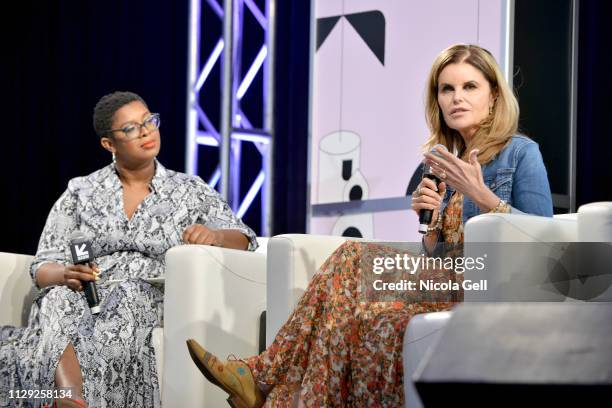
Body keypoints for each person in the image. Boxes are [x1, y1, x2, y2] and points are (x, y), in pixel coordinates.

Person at [186, 44, 553, 407]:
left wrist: (483, 196)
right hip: (445, 280)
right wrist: (432, 222)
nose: (457, 97)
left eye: (469, 86)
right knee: (354, 318)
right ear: (437, 100)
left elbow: (545, 240)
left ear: (493, 96)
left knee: (349, 257)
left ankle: (259, 375)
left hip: (487, 284)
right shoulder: (442, 163)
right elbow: (437, 253)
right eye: (447, 89)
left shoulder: (520, 153)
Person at [0, 91, 257, 408]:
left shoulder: (190, 189)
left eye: (149, 121)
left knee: (126, 297)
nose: (147, 131)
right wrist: (66, 274)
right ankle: (70, 396)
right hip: (83, 293)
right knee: (57, 297)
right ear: (109, 144)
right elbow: (41, 267)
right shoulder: (81, 191)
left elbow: (244, 239)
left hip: (146, 293)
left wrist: (215, 236)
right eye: (131, 128)